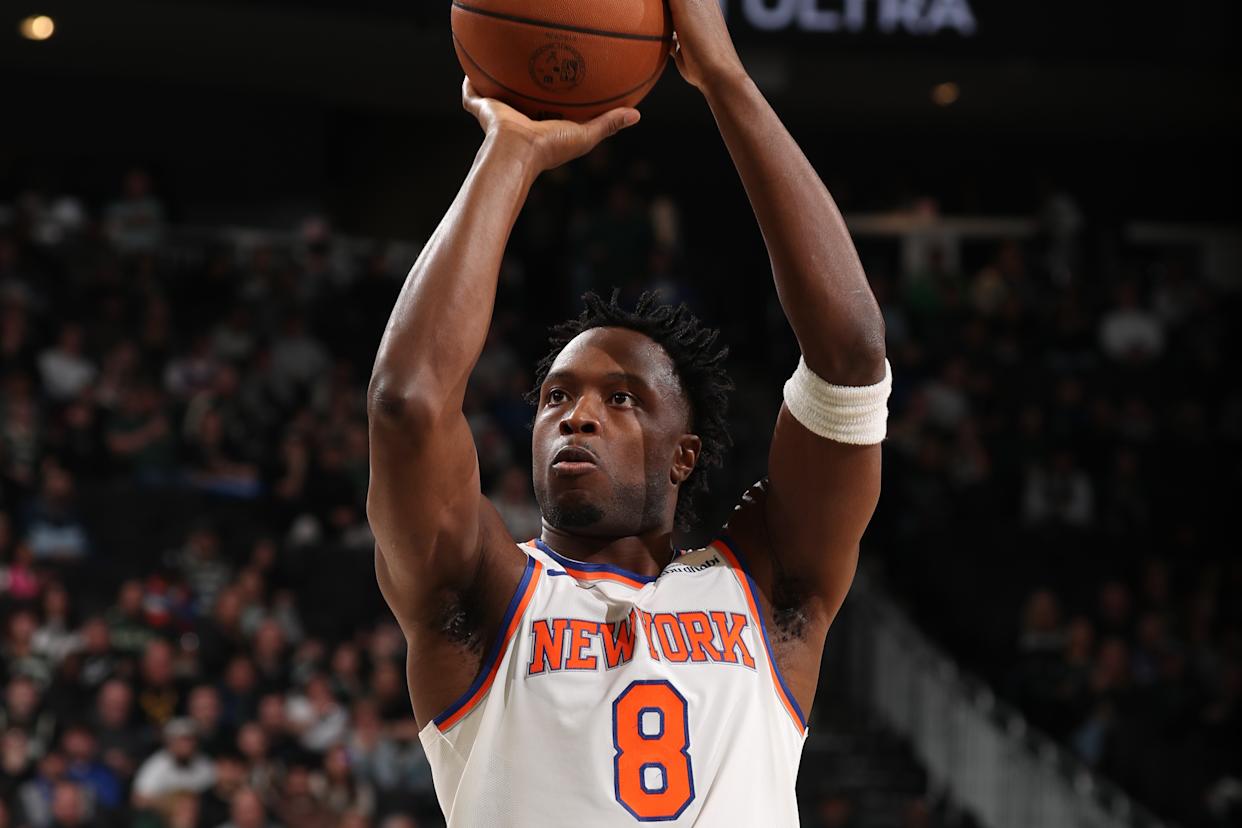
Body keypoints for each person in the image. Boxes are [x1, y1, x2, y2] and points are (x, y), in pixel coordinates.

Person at [365, 1, 888, 824]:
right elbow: (407, 402)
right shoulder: (484, 596)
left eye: (622, 399)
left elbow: (851, 359)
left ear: (684, 453)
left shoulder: (768, 589)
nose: (576, 417)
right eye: (555, 398)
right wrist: (510, 149)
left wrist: (726, 79)